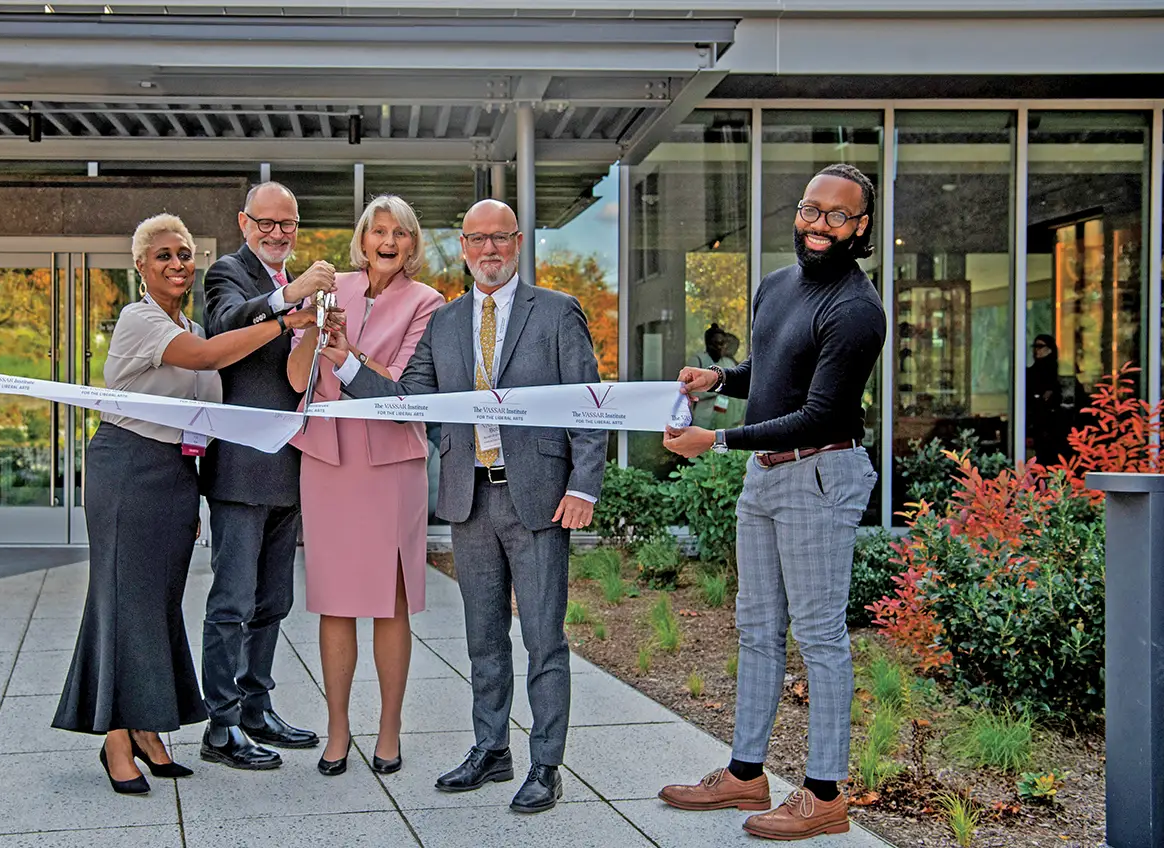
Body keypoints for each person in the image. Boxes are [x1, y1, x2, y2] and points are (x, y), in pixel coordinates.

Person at [318, 199, 607, 814]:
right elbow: (407, 400)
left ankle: (546, 765)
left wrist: (583, 487)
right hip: (469, 497)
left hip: (538, 500)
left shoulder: (557, 313)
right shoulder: (445, 324)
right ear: (465, 248)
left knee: (543, 638)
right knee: (482, 637)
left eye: (500, 239)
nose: (488, 251)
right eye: (476, 240)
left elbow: (591, 404)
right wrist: (344, 360)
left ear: (519, 242)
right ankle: (491, 749)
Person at [52, 212, 322, 795]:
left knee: (158, 604)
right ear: (141, 266)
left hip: (175, 473)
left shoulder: (190, 322)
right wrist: (282, 321)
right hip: (127, 467)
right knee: (123, 602)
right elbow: (206, 360)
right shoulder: (140, 319)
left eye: (184, 255)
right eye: (164, 256)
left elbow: (212, 392)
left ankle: (150, 732)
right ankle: (116, 740)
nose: (177, 264)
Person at [657, 164, 886, 841]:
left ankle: (823, 795)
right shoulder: (777, 286)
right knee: (756, 626)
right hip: (765, 475)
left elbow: (819, 413)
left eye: (837, 216)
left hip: (821, 472)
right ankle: (746, 774)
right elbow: (774, 368)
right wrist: (720, 378)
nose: (819, 225)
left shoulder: (856, 309)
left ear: (861, 227)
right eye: (812, 210)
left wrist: (717, 438)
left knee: (817, 636)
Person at [286, 195, 445, 777]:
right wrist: (309, 328)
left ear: (412, 243)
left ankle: (389, 729)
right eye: (378, 230)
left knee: (390, 602)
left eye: (400, 232)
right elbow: (295, 377)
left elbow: (404, 388)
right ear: (362, 236)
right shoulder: (333, 287)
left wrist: (346, 354)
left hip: (390, 465)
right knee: (334, 601)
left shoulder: (428, 303)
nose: (388, 240)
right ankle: (336, 729)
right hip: (327, 461)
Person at [199, 181, 337, 770]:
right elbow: (227, 324)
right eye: (267, 223)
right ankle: (221, 726)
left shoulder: (289, 284)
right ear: (244, 221)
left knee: (272, 599)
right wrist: (293, 299)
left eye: (288, 225)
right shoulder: (227, 273)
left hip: (290, 464)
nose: (278, 233)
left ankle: (256, 709)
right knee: (231, 600)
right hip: (240, 468)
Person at [1026, 333, 1064, 465]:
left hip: (1056, 427)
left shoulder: (1057, 373)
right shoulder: (1031, 374)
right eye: (1035, 346)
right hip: (1038, 426)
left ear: (1050, 349)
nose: (1036, 350)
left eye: (1040, 346)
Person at [687, 324, 733, 430]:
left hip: (724, 415)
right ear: (708, 344)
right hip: (702, 415)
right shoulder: (697, 360)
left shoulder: (729, 363)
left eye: (722, 344)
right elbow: (690, 390)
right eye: (716, 344)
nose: (719, 347)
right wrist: (715, 389)